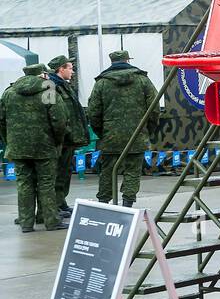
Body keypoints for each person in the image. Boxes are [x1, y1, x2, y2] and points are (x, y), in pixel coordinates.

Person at [0, 62, 68, 232]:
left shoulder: (9, 92)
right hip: (44, 146)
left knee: (24, 184)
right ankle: (51, 221)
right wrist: (57, 141)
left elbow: (1, 121)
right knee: (46, 183)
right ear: (42, 74)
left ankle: (26, 223)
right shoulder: (48, 89)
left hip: (18, 147)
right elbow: (58, 120)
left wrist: (9, 140)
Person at [87, 49, 158, 207]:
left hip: (110, 135)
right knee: (132, 170)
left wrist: (102, 132)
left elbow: (93, 112)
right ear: (127, 61)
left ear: (112, 62)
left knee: (108, 171)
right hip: (137, 134)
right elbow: (154, 108)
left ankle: (103, 203)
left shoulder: (101, 83)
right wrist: (147, 130)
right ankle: (127, 204)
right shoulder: (143, 80)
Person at [46, 55, 89, 217]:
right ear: (60, 69)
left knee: (65, 172)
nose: (72, 71)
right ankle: (55, 206)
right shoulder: (49, 86)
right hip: (60, 138)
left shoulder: (63, 85)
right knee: (58, 172)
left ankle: (61, 202)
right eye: (70, 68)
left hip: (68, 138)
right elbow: (49, 112)